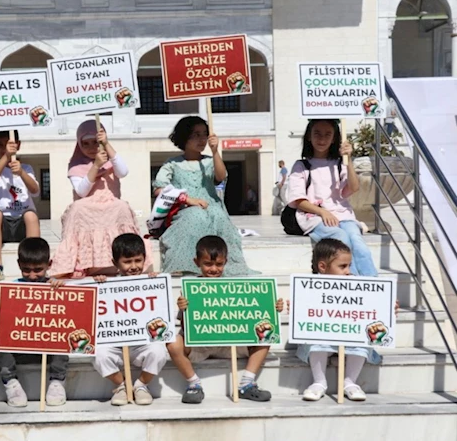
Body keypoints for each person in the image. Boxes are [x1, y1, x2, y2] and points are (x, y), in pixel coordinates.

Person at [168, 236, 284, 403]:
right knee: (173, 343)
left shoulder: (237, 288)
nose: (214, 269)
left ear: (226, 262)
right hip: (202, 345)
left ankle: (246, 383)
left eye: (219, 264)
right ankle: (194, 384)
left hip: (232, 343)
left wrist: (273, 309)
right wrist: (183, 309)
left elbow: (256, 315)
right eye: (208, 264)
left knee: (267, 334)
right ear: (196, 262)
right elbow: (187, 328)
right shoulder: (190, 290)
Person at [153, 116, 257, 276]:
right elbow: (159, 189)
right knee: (195, 217)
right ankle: (186, 265)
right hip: (183, 209)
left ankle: (224, 266)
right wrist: (187, 200)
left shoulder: (210, 161)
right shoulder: (172, 164)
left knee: (218, 216)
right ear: (184, 136)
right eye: (196, 134)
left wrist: (215, 151)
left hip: (212, 206)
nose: (202, 139)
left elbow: (221, 176)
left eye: (204, 134)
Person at [298, 238, 398, 401]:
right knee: (314, 335)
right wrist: (298, 308)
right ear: (322, 267)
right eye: (342, 266)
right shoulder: (309, 288)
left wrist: (387, 309)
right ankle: (319, 382)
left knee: (364, 337)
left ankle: (350, 382)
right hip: (324, 337)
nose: (348, 271)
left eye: (349, 266)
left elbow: (372, 311)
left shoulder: (357, 286)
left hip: (349, 334)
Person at [51, 121, 150, 278]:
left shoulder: (111, 160)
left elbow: (123, 172)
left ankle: (125, 256)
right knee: (77, 209)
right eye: (86, 143)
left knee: (122, 207)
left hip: (111, 203)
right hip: (87, 207)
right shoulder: (75, 165)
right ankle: (84, 266)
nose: (91, 147)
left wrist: (107, 145)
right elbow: (82, 191)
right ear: (79, 144)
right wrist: (96, 165)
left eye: (95, 143)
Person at [287, 119, 377, 277]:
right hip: (314, 216)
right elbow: (298, 200)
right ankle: (353, 282)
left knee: (357, 242)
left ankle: (374, 286)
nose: (322, 139)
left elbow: (354, 187)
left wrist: (348, 159)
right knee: (340, 238)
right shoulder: (301, 165)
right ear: (309, 136)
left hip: (343, 214)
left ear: (334, 138)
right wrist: (323, 212)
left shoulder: (339, 163)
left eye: (327, 134)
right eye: (317, 134)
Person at [92, 233, 168, 405]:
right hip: (116, 344)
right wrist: (99, 284)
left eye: (138, 260)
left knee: (158, 351)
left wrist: (157, 285)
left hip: (142, 343)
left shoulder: (151, 281)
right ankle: (122, 386)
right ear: (115, 263)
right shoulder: (107, 284)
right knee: (99, 354)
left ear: (145, 259)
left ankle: (141, 385)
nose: (133, 266)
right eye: (127, 262)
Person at [0, 237, 67, 407]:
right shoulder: (13, 288)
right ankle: (10, 381)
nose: (32, 276)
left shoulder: (54, 285)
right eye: (26, 270)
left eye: (38, 270)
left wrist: (61, 290)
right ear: (19, 265)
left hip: (49, 347)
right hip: (19, 345)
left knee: (63, 332)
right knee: (0, 334)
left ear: (49, 264)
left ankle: (57, 381)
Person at [0, 130, 40, 281]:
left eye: (8, 145)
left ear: (18, 145)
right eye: (0, 145)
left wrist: (21, 173)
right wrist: (6, 157)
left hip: (22, 222)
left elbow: (35, 190)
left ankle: (34, 261)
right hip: (3, 224)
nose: (4, 148)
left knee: (31, 215)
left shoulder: (26, 168)